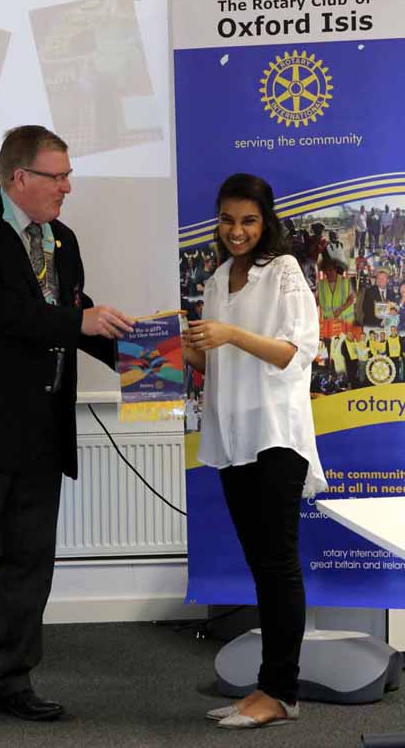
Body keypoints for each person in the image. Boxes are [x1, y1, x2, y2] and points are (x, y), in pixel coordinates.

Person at [0, 125, 134, 733]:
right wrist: (79, 320)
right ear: (20, 178)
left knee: (28, 566)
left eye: (67, 175)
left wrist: (151, 357)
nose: (68, 187)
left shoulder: (61, 238)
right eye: (57, 176)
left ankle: (13, 681)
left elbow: (76, 316)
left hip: (41, 431)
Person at [182, 173, 326, 730]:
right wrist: (174, 349)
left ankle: (280, 691)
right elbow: (214, 364)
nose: (235, 231)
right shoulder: (217, 280)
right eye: (226, 220)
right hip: (232, 437)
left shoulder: (284, 271)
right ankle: (269, 687)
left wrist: (229, 334)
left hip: (275, 436)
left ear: (265, 222)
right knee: (262, 565)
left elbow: (295, 351)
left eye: (247, 220)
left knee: (278, 562)